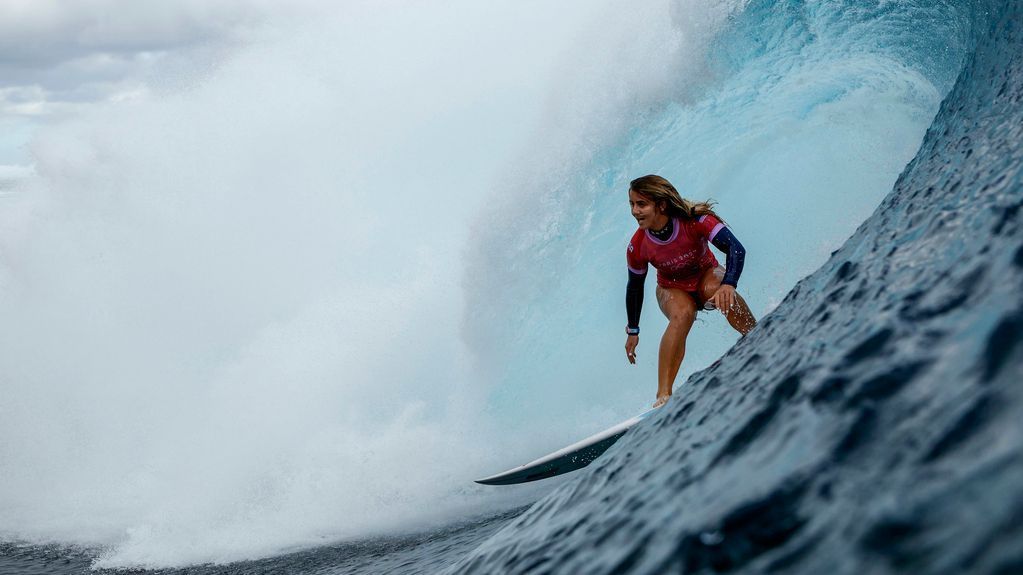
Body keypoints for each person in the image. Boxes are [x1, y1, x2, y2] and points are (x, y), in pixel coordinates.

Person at [624, 174, 756, 408]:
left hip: (707, 275)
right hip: (672, 288)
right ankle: (663, 396)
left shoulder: (696, 220)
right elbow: (635, 287)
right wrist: (633, 330)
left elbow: (736, 249)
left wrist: (729, 283)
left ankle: (756, 335)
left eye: (641, 204)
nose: (635, 211)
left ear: (661, 205)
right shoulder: (638, 245)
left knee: (715, 288)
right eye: (632, 204)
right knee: (682, 314)